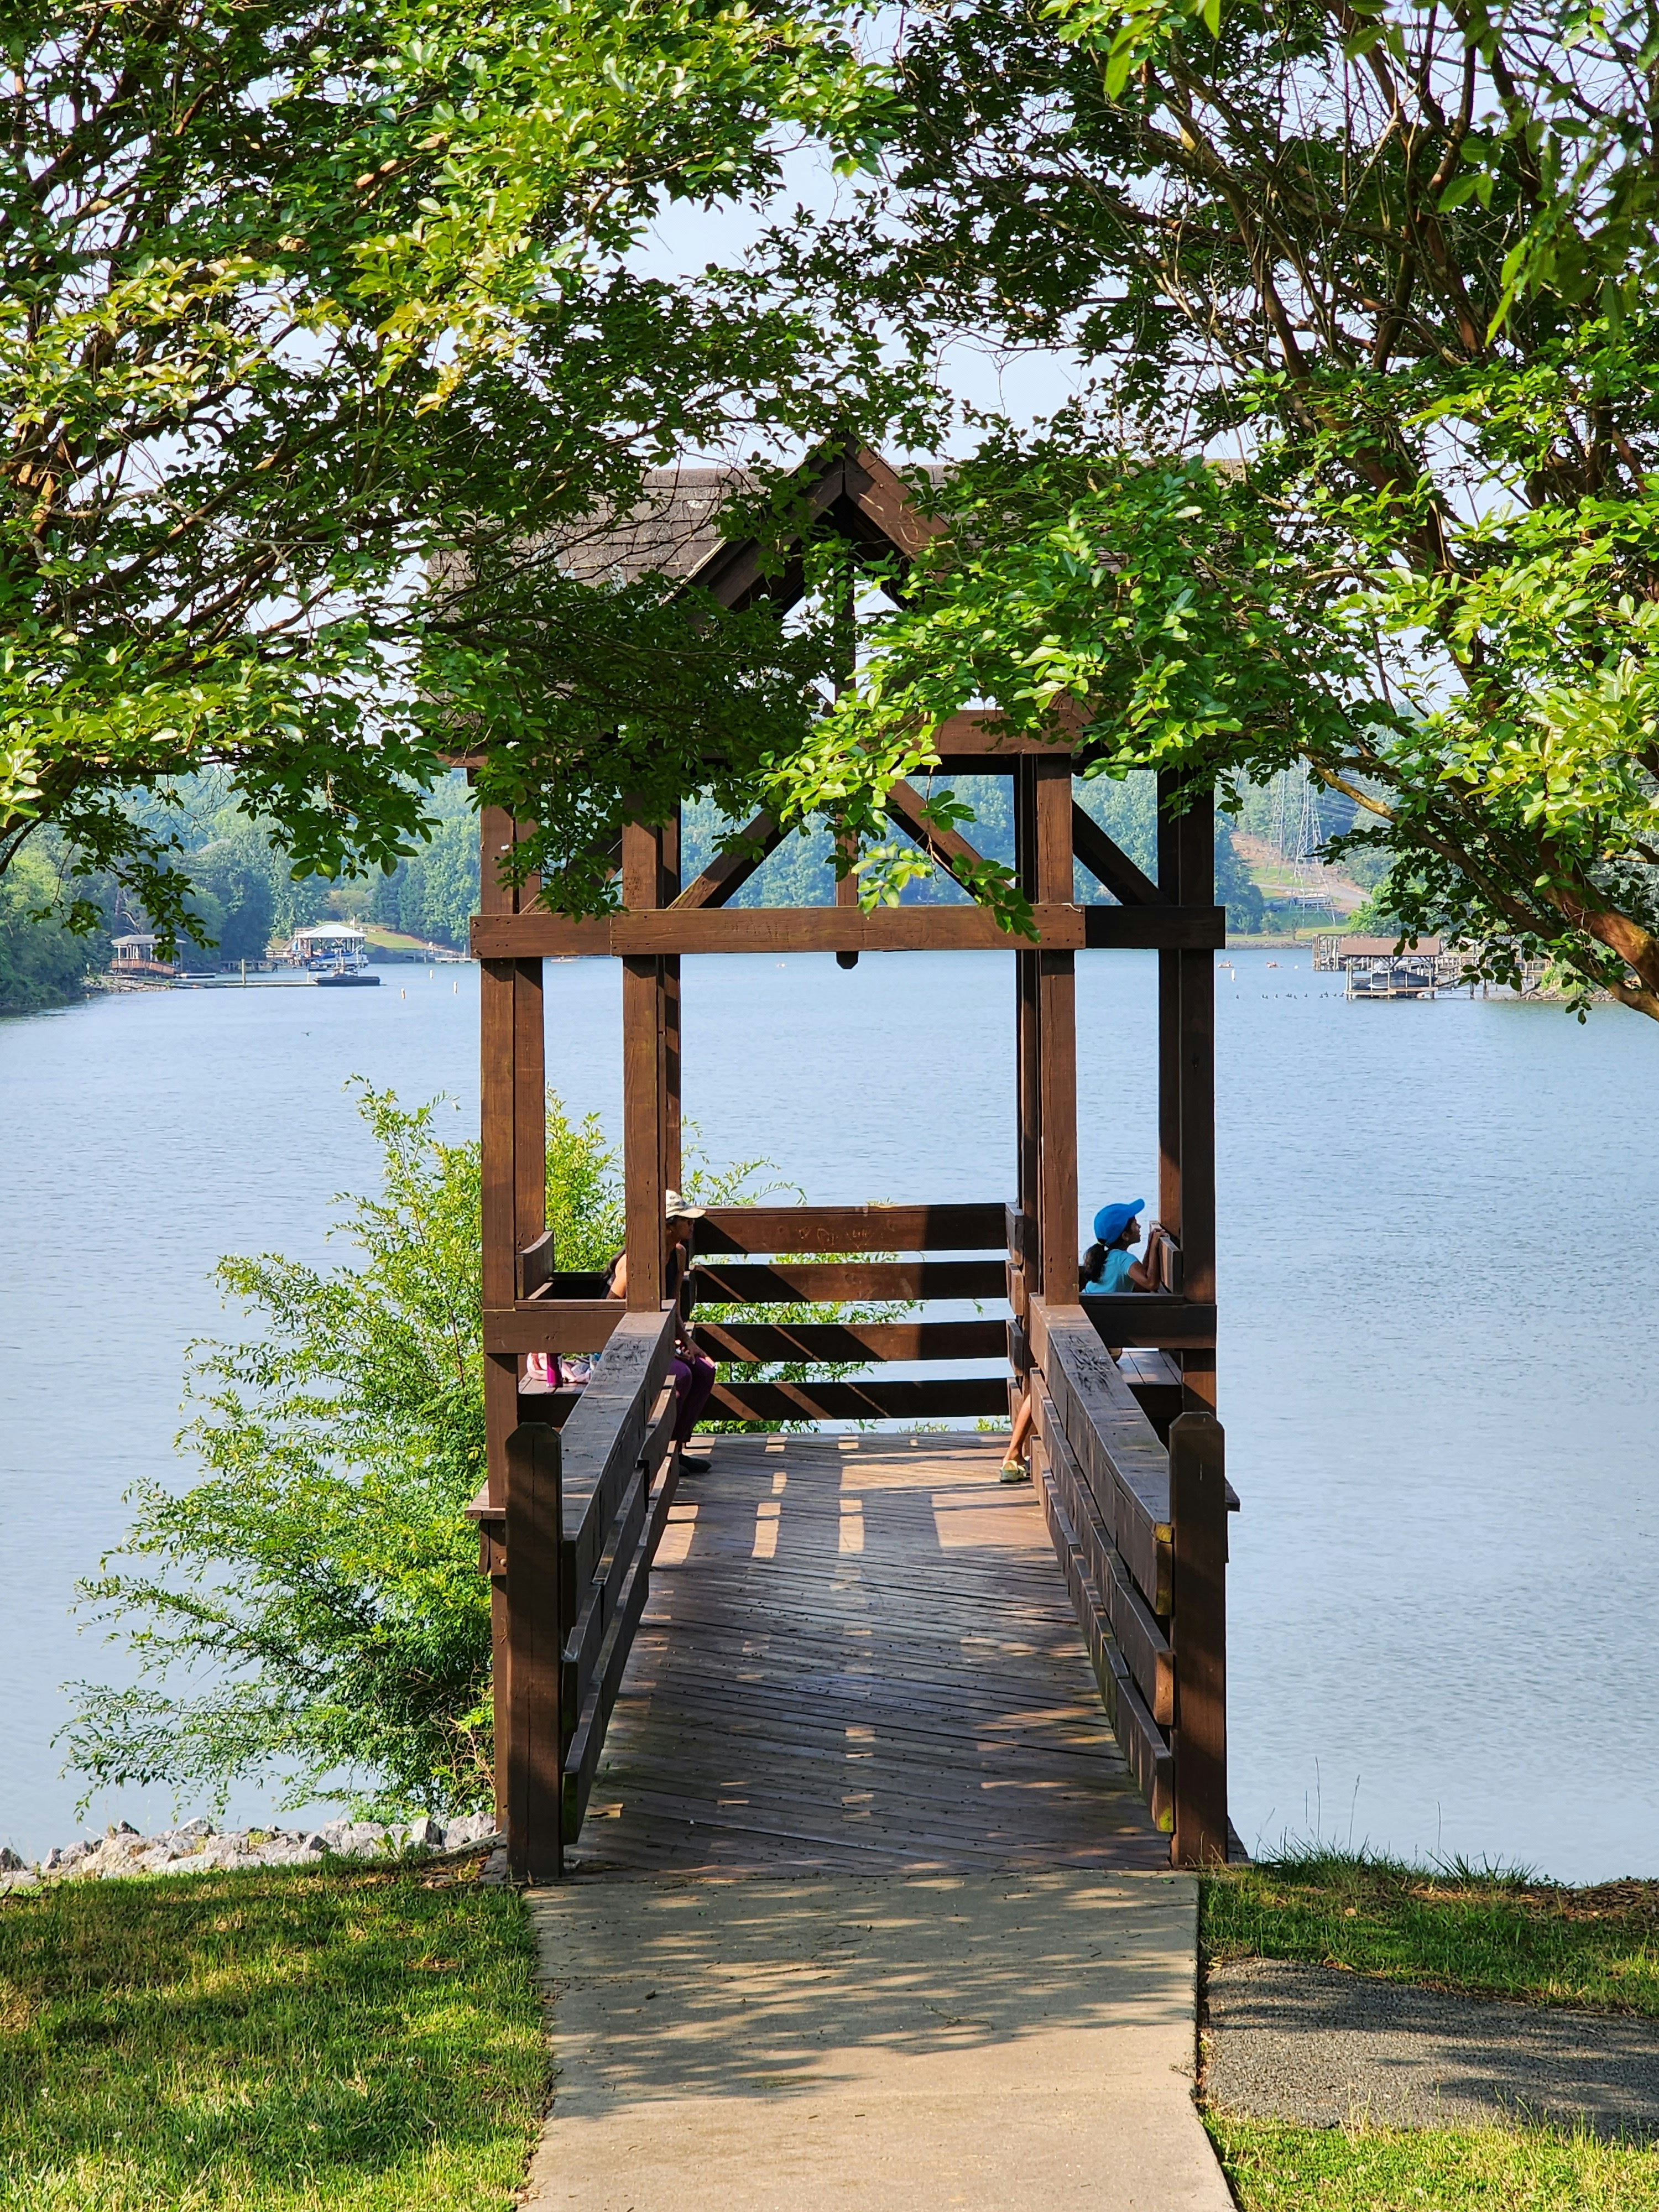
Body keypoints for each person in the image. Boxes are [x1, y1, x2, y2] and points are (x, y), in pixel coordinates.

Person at [604, 1203, 718, 1474]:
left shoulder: (677, 1254)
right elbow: (609, 1311)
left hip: (657, 1340)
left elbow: (673, 1307)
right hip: (625, 1345)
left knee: (704, 1371)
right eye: (686, 1221)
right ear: (668, 1225)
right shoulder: (636, 1261)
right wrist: (666, 1350)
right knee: (681, 1376)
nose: (692, 1226)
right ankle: (659, 1453)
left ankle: (677, 1449)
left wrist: (686, 1343)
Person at [1080, 1200, 1166, 1297]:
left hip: (1087, 1305)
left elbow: (1142, 1285)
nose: (1139, 1226)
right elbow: (1151, 1284)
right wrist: (1154, 1246)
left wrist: (1150, 1246)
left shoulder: (1108, 1256)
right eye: (1135, 1224)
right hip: (1093, 1308)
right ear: (1125, 1236)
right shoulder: (1124, 1259)